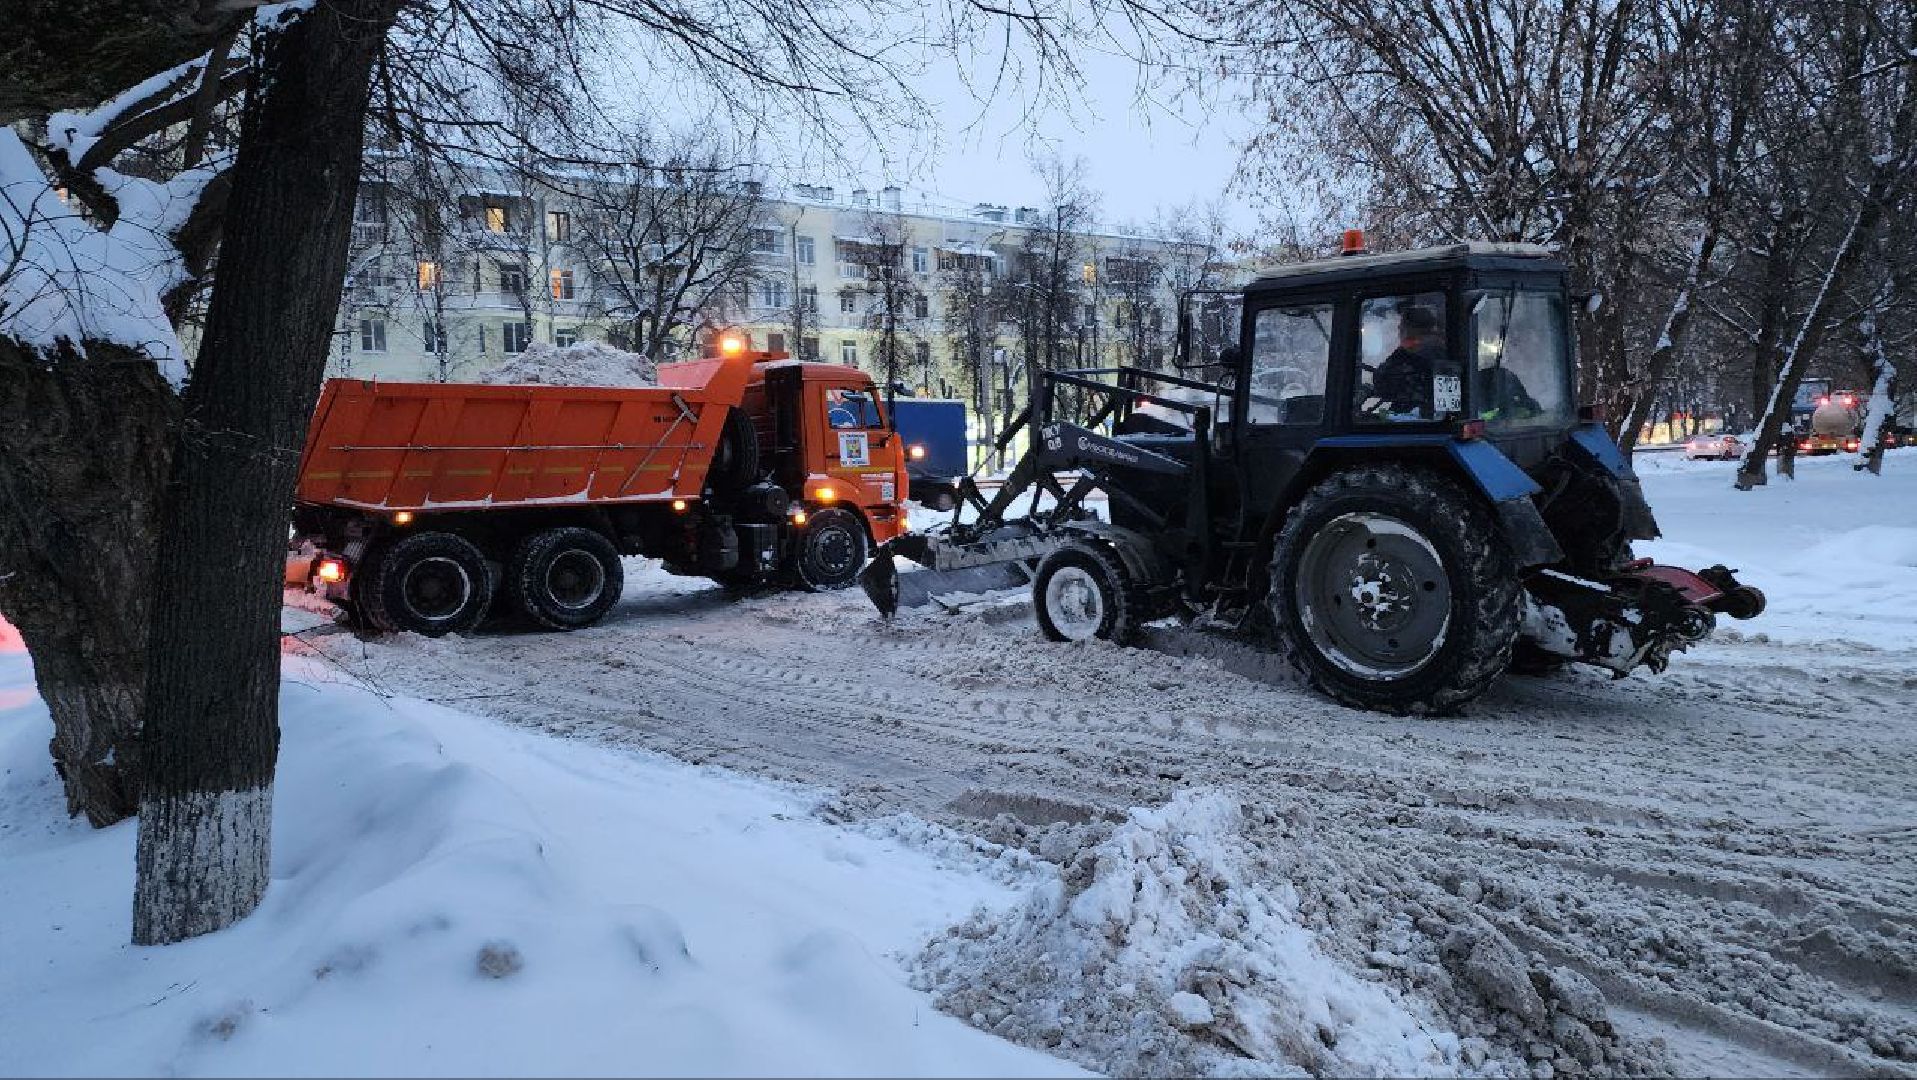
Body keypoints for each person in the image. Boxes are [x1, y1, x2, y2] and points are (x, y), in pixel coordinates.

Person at [1367, 306, 1448, 418]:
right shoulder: (1443, 347)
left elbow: (1383, 383)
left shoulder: (1412, 352)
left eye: (1402, 325)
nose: (1399, 328)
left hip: (1418, 417)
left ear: (1410, 328)